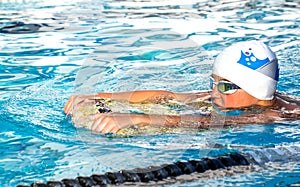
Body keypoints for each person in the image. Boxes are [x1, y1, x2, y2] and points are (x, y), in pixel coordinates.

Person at [64, 41, 299, 134]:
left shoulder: (276, 115)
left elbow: (207, 123)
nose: (214, 92)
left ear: (256, 88)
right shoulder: (227, 96)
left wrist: (138, 119)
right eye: (213, 82)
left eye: (225, 86)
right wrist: (99, 96)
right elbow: (169, 97)